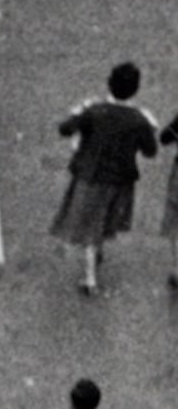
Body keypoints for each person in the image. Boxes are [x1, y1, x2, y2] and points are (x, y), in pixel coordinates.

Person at [52, 60, 158, 296]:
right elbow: (150, 151)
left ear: (109, 84)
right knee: (104, 218)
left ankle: (90, 279)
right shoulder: (139, 120)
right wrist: (150, 127)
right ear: (136, 89)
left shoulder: (95, 111)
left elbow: (65, 129)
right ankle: (97, 251)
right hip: (121, 181)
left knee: (89, 223)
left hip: (90, 176)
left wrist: (79, 112)